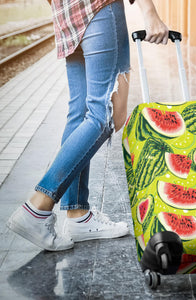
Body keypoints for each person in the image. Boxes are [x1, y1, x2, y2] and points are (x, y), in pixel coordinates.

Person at [7, 0, 169, 251]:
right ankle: (37, 207)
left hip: (67, 14)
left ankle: (77, 214)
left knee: (80, 112)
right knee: (103, 115)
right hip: (100, 8)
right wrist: (150, 13)